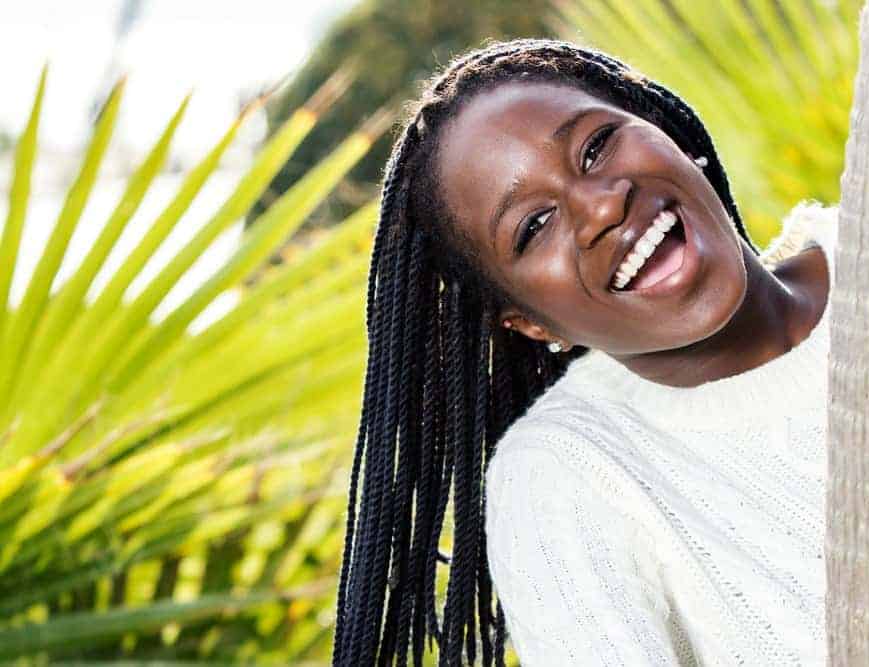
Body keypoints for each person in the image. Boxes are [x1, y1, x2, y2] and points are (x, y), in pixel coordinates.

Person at [332, 37, 838, 667]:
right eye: (533, 227)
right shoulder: (565, 479)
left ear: (666, 132)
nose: (601, 205)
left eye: (596, 147)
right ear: (531, 323)